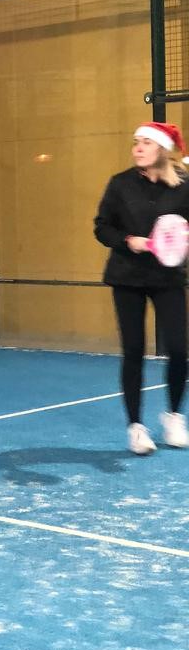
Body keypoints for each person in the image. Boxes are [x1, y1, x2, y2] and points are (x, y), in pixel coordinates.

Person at [94, 121, 189, 454]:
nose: (138, 148)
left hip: (168, 278)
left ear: (161, 149)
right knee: (133, 350)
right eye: (136, 142)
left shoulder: (183, 185)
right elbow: (102, 227)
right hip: (127, 277)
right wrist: (127, 240)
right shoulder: (119, 184)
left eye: (146, 142)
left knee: (179, 349)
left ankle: (174, 417)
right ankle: (136, 427)